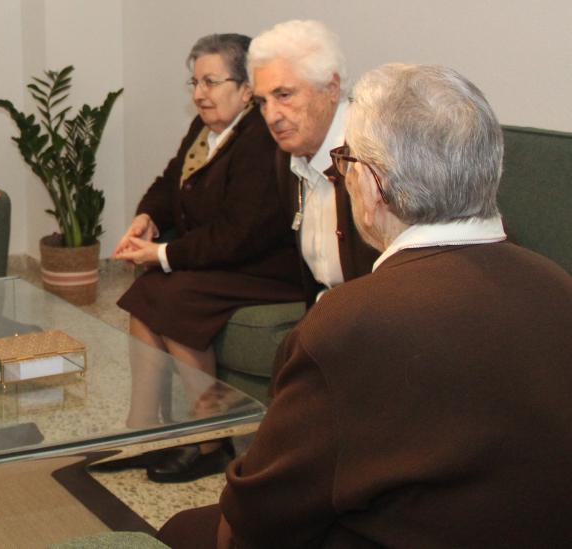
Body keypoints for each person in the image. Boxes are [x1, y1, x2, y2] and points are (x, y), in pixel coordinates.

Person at [158, 64, 572, 548]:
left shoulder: (351, 321)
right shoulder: (557, 285)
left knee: (180, 530)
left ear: (373, 186)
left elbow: (260, 513)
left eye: (345, 160)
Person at [110, 34, 302, 483]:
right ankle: (144, 431)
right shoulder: (207, 129)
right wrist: (147, 217)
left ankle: (210, 443)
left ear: (247, 88)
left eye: (211, 82)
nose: (199, 94)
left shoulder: (260, 139)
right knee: (150, 289)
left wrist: (163, 253)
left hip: (266, 266)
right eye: (194, 83)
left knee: (175, 296)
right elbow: (169, 182)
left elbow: (240, 234)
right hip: (224, 259)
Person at [249, 20, 375, 304]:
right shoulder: (288, 155)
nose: (271, 116)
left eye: (284, 95)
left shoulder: (372, 154)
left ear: (331, 89)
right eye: (262, 102)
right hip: (327, 312)